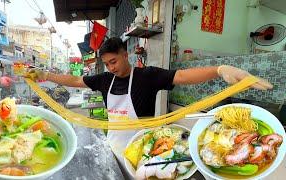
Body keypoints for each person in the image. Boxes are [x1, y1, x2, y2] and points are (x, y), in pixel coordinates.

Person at [24, 37, 273, 178]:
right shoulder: (104, 80)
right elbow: (76, 80)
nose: (111, 67)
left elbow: (183, 76)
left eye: (114, 61)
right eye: (107, 64)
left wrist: (219, 70)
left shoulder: (148, 76)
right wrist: (45, 74)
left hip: (146, 147)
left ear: (125, 55)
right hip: (113, 146)